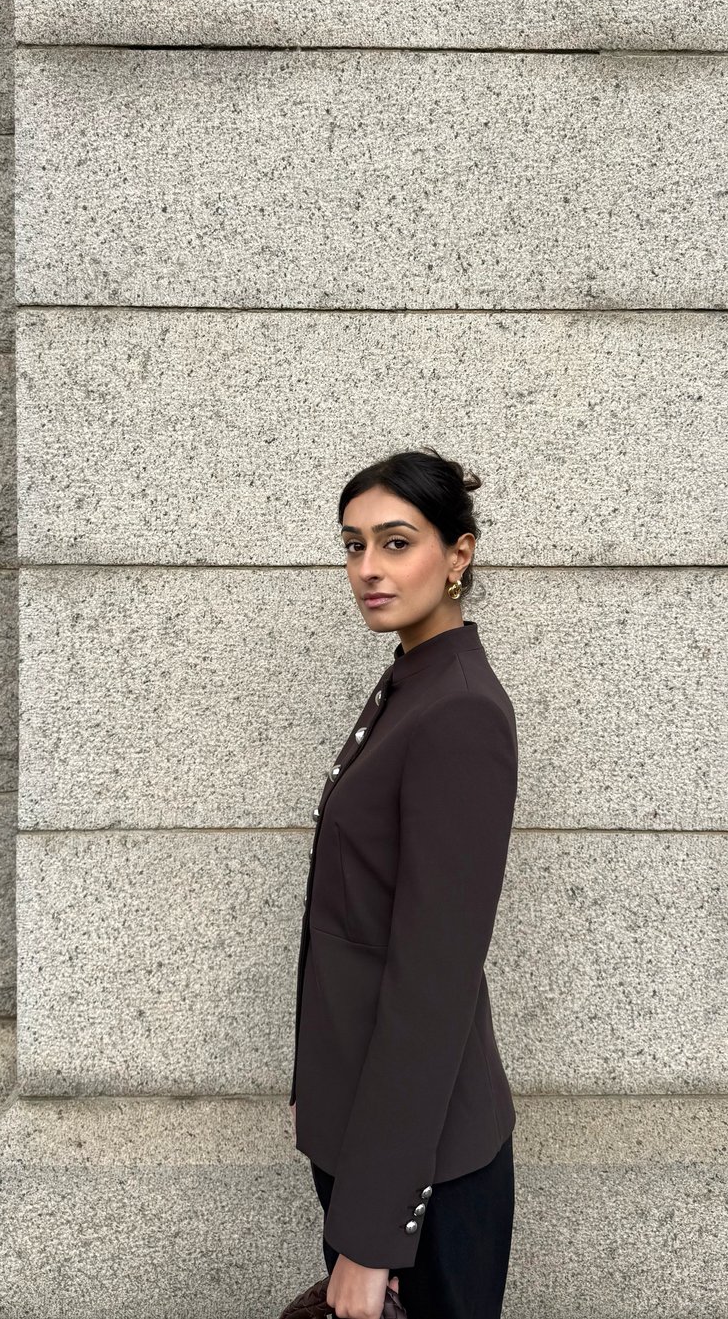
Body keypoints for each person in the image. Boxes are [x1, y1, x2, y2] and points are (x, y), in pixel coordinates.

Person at [288, 447, 518, 1319]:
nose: (368, 570)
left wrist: (374, 1237)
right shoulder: (409, 682)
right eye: (353, 546)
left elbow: (432, 985)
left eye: (395, 542)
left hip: (428, 1175)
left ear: (458, 554)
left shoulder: (458, 708)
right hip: (375, 1140)